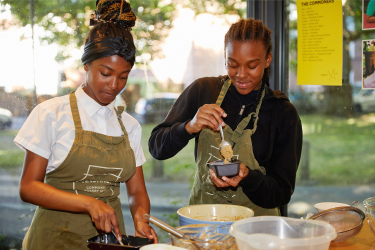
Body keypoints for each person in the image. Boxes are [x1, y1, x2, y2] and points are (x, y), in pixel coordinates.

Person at [14, 0, 158, 249]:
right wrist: (89, 203)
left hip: (110, 242)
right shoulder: (51, 113)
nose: (114, 85)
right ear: (86, 65)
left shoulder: (129, 125)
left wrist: (141, 219)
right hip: (53, 240)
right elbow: (28, 188)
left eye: (123, 77)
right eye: (105, 73)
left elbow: (136, 192)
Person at [148, 18, 303, 216]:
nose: (241, 75)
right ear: (225, 59)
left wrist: (248, 178)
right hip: (203, 222)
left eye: (252, 66)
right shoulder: (203, 91)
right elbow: (156, 147)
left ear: (267, 60)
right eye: (233, 64)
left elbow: (282, 192)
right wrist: (189, 126)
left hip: (254, 231)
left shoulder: (282, 112)